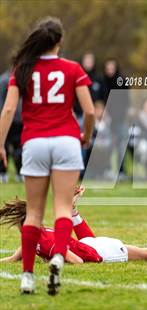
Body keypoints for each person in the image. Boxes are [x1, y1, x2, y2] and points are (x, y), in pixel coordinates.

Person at [0, 17, 95, 295]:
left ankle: (28, 277)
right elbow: (89, 111)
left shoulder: (23, 69)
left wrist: (1, 145)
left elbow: (7, 111)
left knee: (33, 213)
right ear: (59, 42)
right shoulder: (72, 68)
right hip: (66, 141)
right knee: (63, 209)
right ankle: (57, 260)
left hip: (35, 143)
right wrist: (86, 136)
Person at [0, 187, 147, 266]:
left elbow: (78, 262)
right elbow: (18, 254)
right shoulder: (36, 234)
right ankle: (73, 211)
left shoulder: (47, 241)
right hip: (87, 242)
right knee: (85, 243)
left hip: (103, 251)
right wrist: (7, 259)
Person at [0, 70, 23, 183]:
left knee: (15, 147)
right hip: (15, 118)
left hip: (16, 119)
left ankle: (9, 173)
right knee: (11, 147)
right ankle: (4, 173)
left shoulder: (6, 78)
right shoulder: (6, 80)